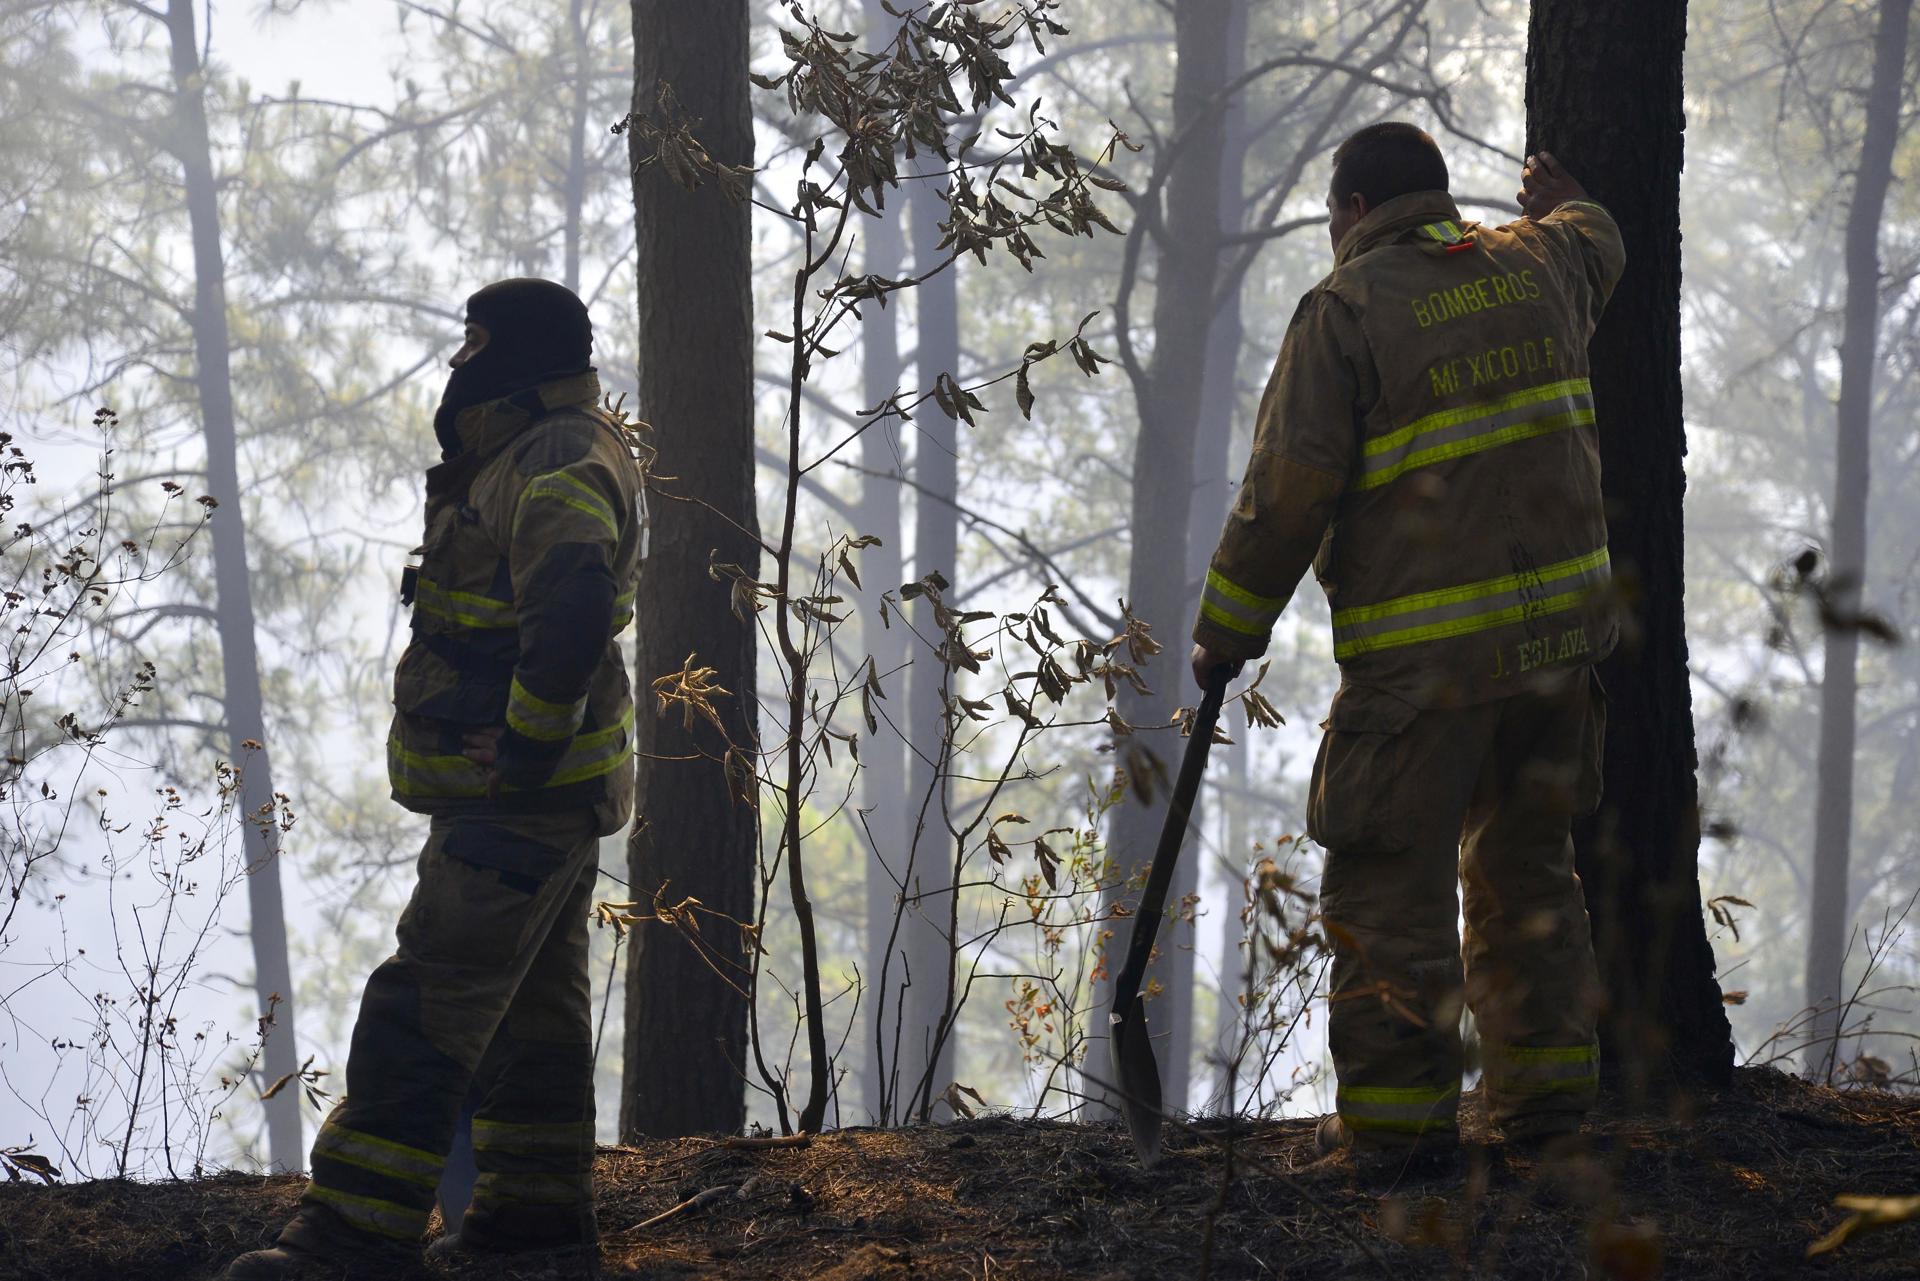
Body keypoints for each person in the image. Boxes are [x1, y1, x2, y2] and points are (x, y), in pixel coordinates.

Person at [1189, 123, 1625, 1179]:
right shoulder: (1538, 263)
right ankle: (1548, 1118)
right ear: (1434, 198)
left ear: (1348, 211)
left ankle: (1396, 1140)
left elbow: (1286, 492)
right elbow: (1598, 242)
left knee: (1390, 893)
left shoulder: (1344, 314)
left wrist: (1225, 633)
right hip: (1557, 656)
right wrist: (1570, 197)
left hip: (1422, 677)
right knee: (1529, 880)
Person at [219, 278, 645, 1278]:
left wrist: (529, 745)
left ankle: (351, 1239)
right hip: (537, 801)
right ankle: (532, 1235)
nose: (458, 361)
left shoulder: (552, 458)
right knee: (531, 1025)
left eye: (476, 341)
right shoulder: (534, 450)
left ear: (519, 354)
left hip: (519, 801)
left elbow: (574, 603)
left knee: (423, 1006)